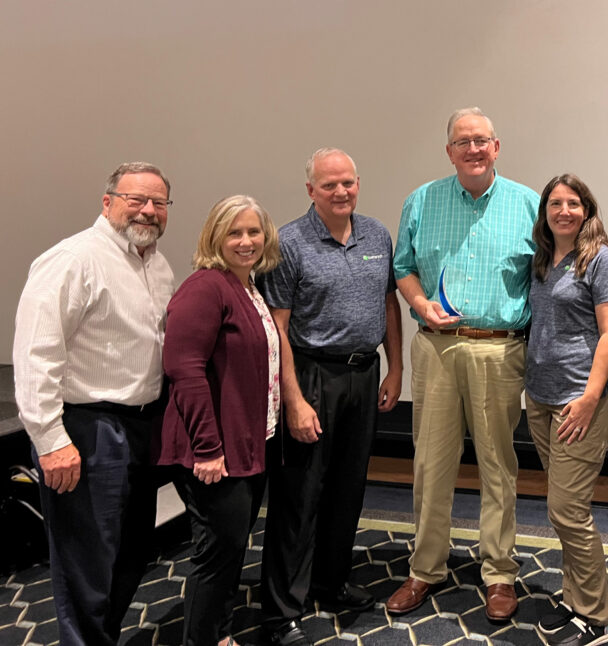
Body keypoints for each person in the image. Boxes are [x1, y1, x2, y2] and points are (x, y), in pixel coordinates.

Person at [13, 162, 175, 646]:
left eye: (159, 202)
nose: (148, 210)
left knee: (131, 552)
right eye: (136, 199)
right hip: (88, 429)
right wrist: (49, 440)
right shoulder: (72, 259)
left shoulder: (157, 265)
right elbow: (36, 354)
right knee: (86, 562)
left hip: (142, 426)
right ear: (108, 202)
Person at [387, 107, 539, 622]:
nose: (473, 150)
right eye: (462, 142)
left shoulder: (528, 204)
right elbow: (403, 268)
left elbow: (551, 272)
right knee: (431, 464)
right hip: (435, 347)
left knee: (498, 464)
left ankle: (498, 572)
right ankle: (425, 567)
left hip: (499, 349)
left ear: (497, 147)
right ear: (448, 151)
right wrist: (419, 301)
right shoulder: (421, 201)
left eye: (482, 141)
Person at [259, 148, 403, 646]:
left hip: (365, 375)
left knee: (348, 488)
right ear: (310, 191)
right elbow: (276, 329)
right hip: (312, 376)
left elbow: (389, 304)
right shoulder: (287, 243)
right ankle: (282, 610)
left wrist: (396, 367)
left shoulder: (377, 235)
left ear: (358, 183)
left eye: (348, 183)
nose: (341, 192)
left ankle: (331, 581)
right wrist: (294, 400)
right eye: (329, 185)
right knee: (299, 496)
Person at [156, 195, 282, 646]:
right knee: (217, 556)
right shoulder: (205, 287)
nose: (246, 241)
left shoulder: (247, 286)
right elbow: (184, 370)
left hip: (246, 443)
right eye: (234, 232)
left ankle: (220, 635)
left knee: (230, 552)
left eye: (254, 231)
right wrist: (208, 449)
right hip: (213, 451)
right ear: (214, 237)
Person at [525, 174, 608, 645]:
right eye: (555, 203)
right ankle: (574, 597)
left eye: (573, 203)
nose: (563, 210)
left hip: (577, 403)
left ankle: (597, 617)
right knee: (562, 506)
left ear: (587, 209)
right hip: (540, 399)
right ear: (545, 211)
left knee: (567, 510)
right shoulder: (543, 260)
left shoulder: (598, 259)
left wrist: (588, 398)